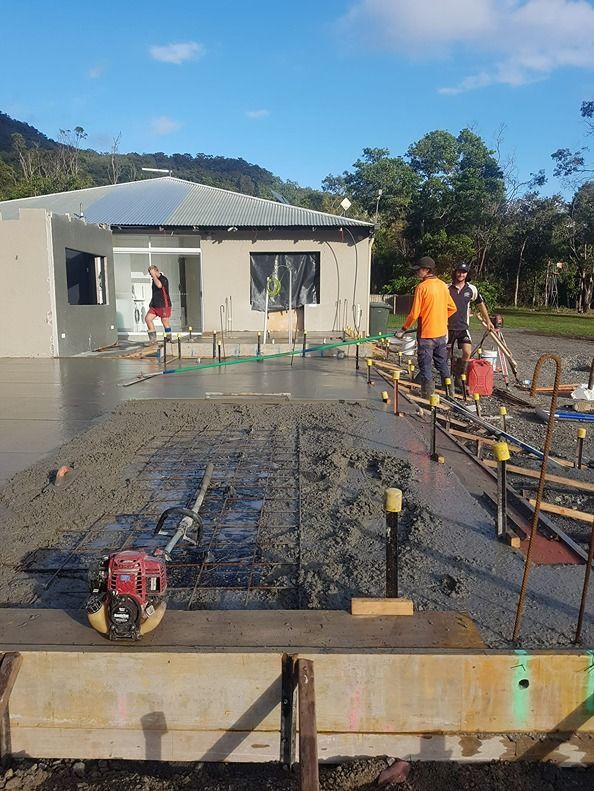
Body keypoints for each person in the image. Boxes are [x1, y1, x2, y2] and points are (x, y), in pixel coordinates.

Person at [395, 256, 457, 398]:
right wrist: (439, 318)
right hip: (441, 333)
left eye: (418, 270)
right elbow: (452, 308)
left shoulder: (422, 287)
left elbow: (414, 313)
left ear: (427, 270)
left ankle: (427, 396)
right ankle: (450, 393)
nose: (417, 273)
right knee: (442, 364)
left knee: (426, 365)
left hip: (426, 335)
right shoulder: (443, 285)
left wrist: (403, 330)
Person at [447, 263, 494, 377]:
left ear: (467, 274)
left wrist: (488, 321)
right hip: (447, 328)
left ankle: (459, 374)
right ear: (455, 272)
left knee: (467, 352)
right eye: (459, 271)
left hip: (463, 328)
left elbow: (480, 304)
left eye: (464, 272)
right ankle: (446, 378)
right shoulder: (446, 288)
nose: (461, 274)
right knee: (446, 355)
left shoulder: (471, 289)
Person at [145, 265, 172, 345]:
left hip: (164, 305)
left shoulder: (163, 279)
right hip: (155, 305)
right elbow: (155, 293)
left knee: (165, 322)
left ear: (156, 271)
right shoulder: (154, 280)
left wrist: (154, 276)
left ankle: (168, 339)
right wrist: (152, 302)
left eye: (151, 273)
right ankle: (153, 340)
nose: (151, 275)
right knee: (148, 319)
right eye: (150, 274)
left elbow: (159, 285)